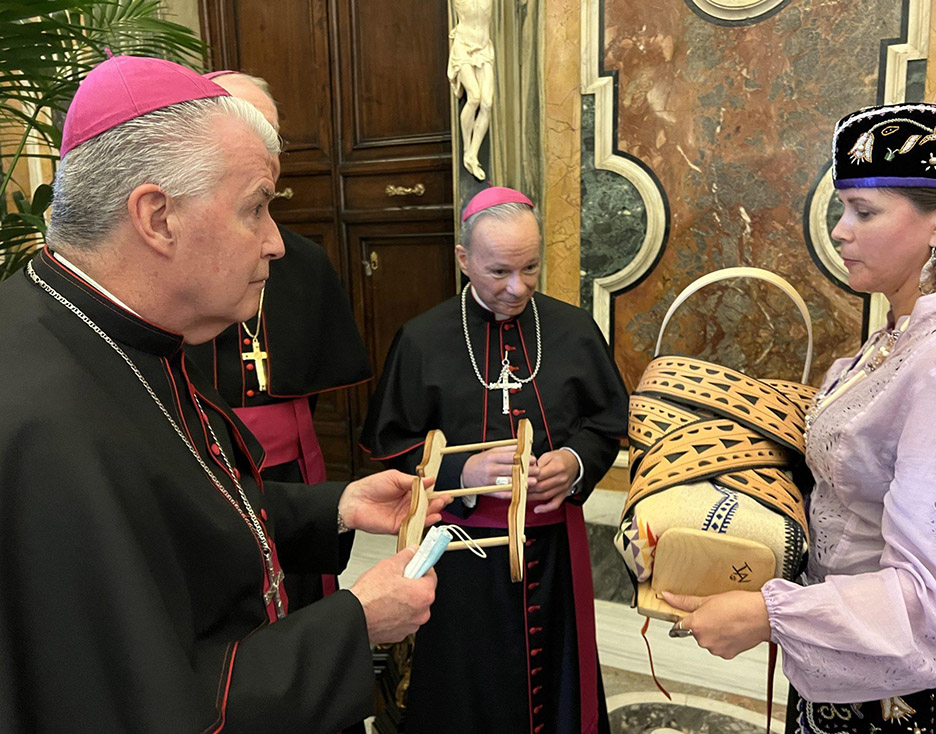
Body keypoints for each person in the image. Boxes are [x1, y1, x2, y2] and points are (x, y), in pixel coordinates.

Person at [0, 55, 450, 733]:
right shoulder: (46, 424)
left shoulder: (122, 335)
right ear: (158, 218)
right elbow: (145, 710)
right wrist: (353, 624)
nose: (275, 243)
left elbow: (180, 520)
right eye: (257, 208)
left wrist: (334, 506)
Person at [662, 103, 936, 733]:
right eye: (843, 208)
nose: (840, 231)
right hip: (850, 649)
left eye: (864, 212)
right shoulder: (900, 334)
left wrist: (768, 615)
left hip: (911, 694)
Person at [361, 186, 628, 734]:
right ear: (464, 260)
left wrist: (575, 462)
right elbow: (389, 444)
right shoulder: (422, 339)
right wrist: (460, 472)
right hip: (460, 557)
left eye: (531, 268)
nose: (517, 288)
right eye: (499, 271)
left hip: (555, 552)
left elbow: (608, 421)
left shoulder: (573, 329)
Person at [187, 70, 372, 612]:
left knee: (299, 591)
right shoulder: (178, 269)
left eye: (272, 137)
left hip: (292, 464)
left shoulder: (303, 260)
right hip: (209, 459)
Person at [448, 0, 495, 181]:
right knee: (474, 97)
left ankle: (472, 154)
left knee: (487, 103)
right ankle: (467, 149)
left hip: (483, 48)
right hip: (463, 47)